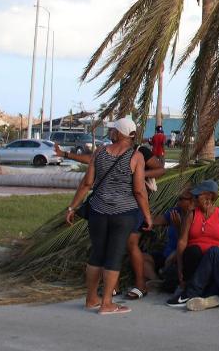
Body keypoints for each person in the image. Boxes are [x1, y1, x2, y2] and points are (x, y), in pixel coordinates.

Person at [65, 116, 153, 315]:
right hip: (123, 213)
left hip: (98, 211)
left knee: (97, 253)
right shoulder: (136, 157)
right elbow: (139, 190)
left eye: (114, 130)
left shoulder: (100, 152)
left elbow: (87, 183)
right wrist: (147, 215)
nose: (111, 132)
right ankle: (106, 303)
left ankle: (91, 298)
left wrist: (72, 207)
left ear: (119, 133)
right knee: (114, 254)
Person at [173, 179, 219, 298]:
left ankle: (207, 291)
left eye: (197, 196)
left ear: (208, 196)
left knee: (216, 254)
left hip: (214, 258)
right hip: (194, 258)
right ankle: (189, 287)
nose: (194, 199)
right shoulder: (192, 214)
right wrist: (180, 268)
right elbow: (182, 242)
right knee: (193, 251)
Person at [124, 143, 167, 299]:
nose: (111, 134)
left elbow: (161, 169)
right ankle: (116, 285)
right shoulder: (112, 151)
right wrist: (66, 155)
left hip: (136, 205)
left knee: (131, 244)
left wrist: (139, 173)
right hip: (120, 205)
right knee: (121, 244)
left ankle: (140, 284)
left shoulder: (140, 151)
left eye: (115, 131)